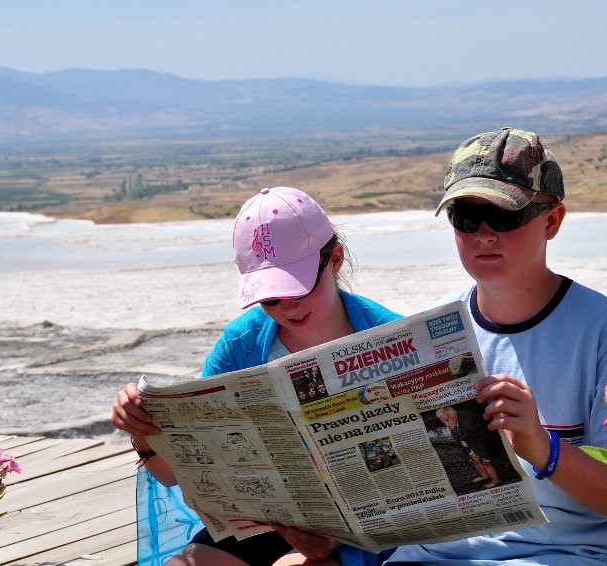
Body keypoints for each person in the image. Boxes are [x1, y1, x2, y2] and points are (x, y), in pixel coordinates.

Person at [384, 127, 607, 565]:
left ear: (552, 221)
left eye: (505, 216)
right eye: (466, 218)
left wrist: (545, 450)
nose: (484, 235)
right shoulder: (428, 331)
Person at [111, 186, 402, 566]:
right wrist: (141, 430)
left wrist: (330, 546)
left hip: (373, 537)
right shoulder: (242, 343)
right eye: (270, 297)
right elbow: (176, 476)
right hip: (267, 527)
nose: (288, 308)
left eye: (298, 287)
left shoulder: (391, 336)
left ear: (335, 260)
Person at [436, 406, 502, 488]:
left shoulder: (469, 422)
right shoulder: (453, 421)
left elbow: (482, 440)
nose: (446, 424)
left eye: (447, 420)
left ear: (453, 415)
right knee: (474, 460)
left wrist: (486, 458)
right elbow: (462, 440)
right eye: (443, 422)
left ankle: (496, 480)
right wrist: (472, 453)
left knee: (485, 463)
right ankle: (485, 476)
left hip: (488, 440)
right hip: (473, 441)